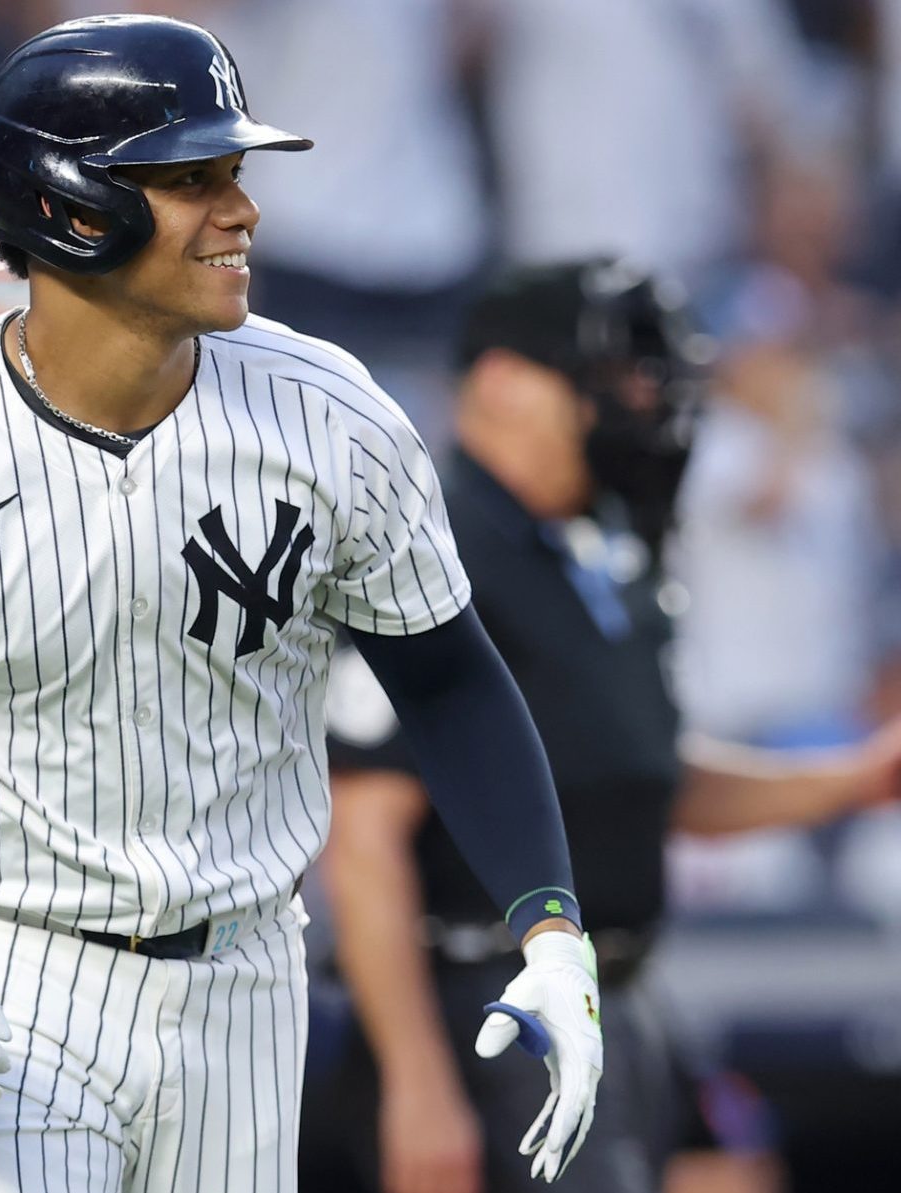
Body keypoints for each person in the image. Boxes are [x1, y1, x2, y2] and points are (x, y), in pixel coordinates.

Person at [0, 15, 603, 1190]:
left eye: (232, 176)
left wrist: (550, 929)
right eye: (190, 180)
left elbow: (446, 677)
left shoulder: (331, 412)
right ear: (71, 206)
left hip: (245, 990)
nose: (239, 211)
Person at [314, 260, 901, 1193]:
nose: (639, 402)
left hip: (625, 988)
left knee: (730, 1171)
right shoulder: (426, 550)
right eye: (607, 379)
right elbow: (366, 838)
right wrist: (419, 1084)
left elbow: (647, 778)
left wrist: (861, 776)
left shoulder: (605, 548)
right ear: (503, 382)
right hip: (490, 996)